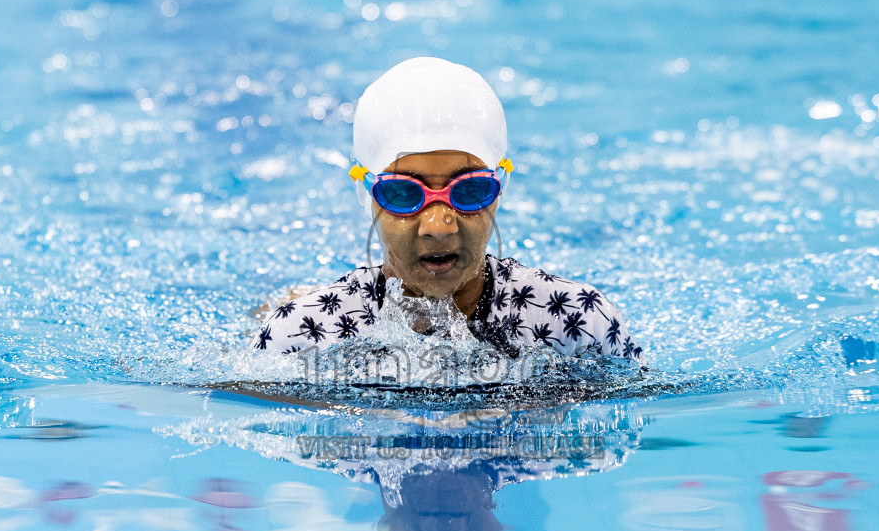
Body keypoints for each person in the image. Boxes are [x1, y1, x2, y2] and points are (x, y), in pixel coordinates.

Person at [253, 57, 641, 361]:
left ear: (499, 191)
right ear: (367, 195)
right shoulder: (305, 332)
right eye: (404, 194)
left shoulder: (574, 322)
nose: (438, 226)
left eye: (470, 190)